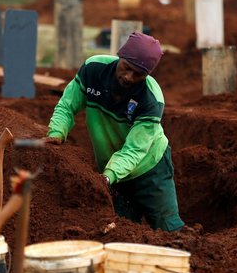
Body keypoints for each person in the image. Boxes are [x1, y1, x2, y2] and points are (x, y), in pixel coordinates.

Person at [45, 33, 185, 232]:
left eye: (138, 74)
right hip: (112, 171)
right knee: (120, 231)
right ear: (120, 56)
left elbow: (134, 150)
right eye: (127, 68)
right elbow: (67, 105)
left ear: (148, 75)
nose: (129, 77)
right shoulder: (93, 70)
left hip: (150, 168)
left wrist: (108, 176)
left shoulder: (151, 99)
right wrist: (57, 132)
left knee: (169, 228)